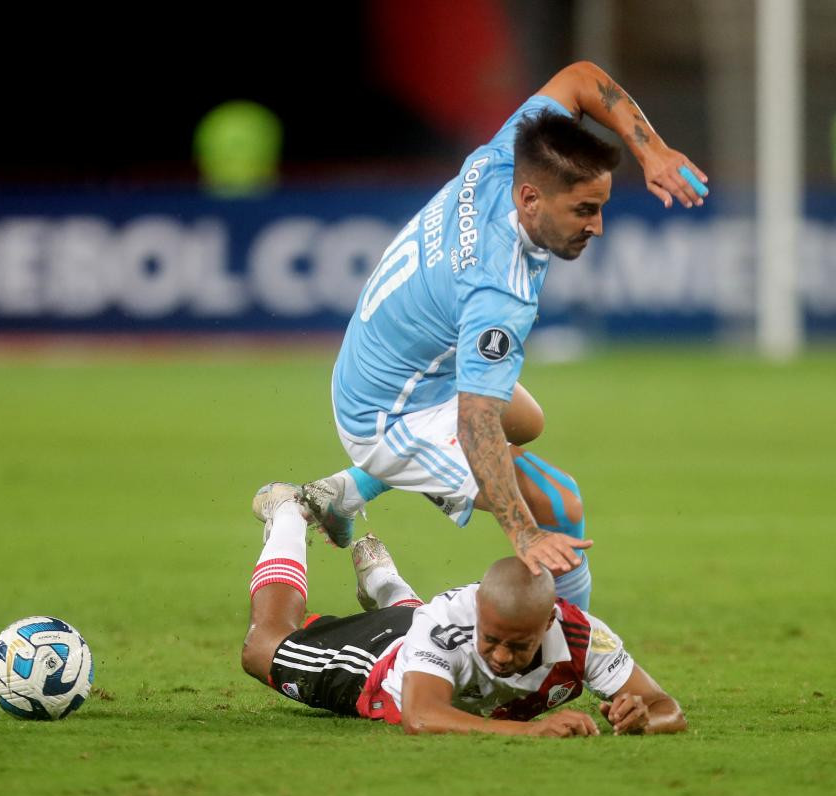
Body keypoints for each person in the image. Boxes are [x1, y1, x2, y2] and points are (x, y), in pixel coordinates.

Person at [294, 61, 708, 610]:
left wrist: (650, 150)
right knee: (558, 501)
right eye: (584, 210)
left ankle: (341, 494)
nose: (597, 226)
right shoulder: (498, 291)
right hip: (388, 416)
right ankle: (584, 655)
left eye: (601, 207)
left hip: (378, 358)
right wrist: (525, 533)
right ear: (532, 200)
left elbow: (582, 78)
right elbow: (475, 421)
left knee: (528, 420)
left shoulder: (504, 156)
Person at [241, 482, 687, 737]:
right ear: (477, 612)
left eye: (519, 646)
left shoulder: (582, 636)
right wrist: (531, 733)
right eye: (490, 640)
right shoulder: (447, 623)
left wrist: (646, 719)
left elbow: (667, 707)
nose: (500, 656)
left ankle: (385, 582)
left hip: (420, 636)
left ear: (548, 623)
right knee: (263, 646)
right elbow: (421, 716)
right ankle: (289, 514)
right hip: (379, 666)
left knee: (422, 626)